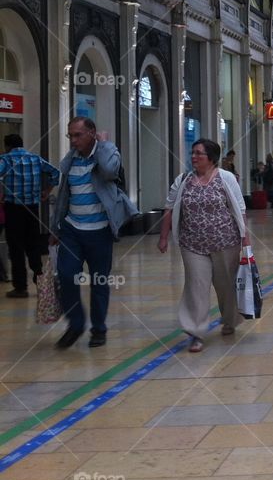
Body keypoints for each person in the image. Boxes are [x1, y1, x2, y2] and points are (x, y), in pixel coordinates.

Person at [50, 118, 138, 348]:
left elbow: (110, 171)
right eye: (70, 136)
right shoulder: (70, 160)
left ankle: (99, 329)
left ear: (92, 133)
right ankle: (76, 324)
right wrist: (55, 227)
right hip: (72, 230)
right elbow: (62, 197)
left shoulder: (107, 154)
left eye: (78, 135)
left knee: (99, 282)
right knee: (66, 275)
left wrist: (105, 144)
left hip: (100, 232)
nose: (73, 140)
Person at [157, 139, 248, 353]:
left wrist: (246, 238)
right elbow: (169, 208)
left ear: (212, 158)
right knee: (196, 286)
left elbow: (240, 208)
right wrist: (163, 237)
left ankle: (230, 320)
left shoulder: (226, 178)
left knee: (226, 285)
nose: (194, 157)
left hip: (226, 241)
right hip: (192, 244)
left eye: (199, 153)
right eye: (193, 153)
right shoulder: (183, 180)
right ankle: (195, 332)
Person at [0, 134, 60, 297]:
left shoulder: (5, 160)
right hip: (32, 209)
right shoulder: (35, 159)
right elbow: (55, 173)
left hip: (13, 209)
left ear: (7, 146)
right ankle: (41, 282)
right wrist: (46, 192)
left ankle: (20, 288)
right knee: (33, 245)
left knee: (16, 248)